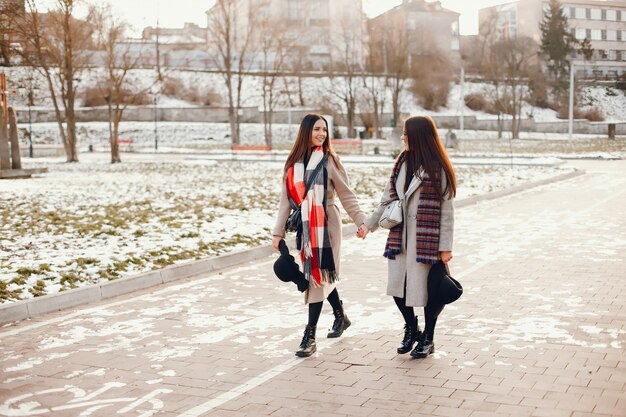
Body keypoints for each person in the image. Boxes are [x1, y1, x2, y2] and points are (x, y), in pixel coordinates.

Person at [358, 115, 456, 359]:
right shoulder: (401, 163)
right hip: (400, 239)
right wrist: (368, 225)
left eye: (406, 133)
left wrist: (445, 247)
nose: (402, 137)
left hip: (426, 242)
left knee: (428, 294)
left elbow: (447, 212)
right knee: (398, 290)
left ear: (419, 136)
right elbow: (387, 201)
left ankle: (429, 338)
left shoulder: (438, 168)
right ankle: (412, 328)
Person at [272, 113, 366, 358]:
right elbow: (285, 202)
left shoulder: (330, 160)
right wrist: (277, 233)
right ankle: (340, 315)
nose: (322, 134)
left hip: (328, 225)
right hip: (305, 226)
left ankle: (309, 336)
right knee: (319, 274)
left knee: (317, 276)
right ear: (306, 132)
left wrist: (361, 222)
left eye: (324, 130)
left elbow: (347, 195)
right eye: (316, 130)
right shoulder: (292, 165)